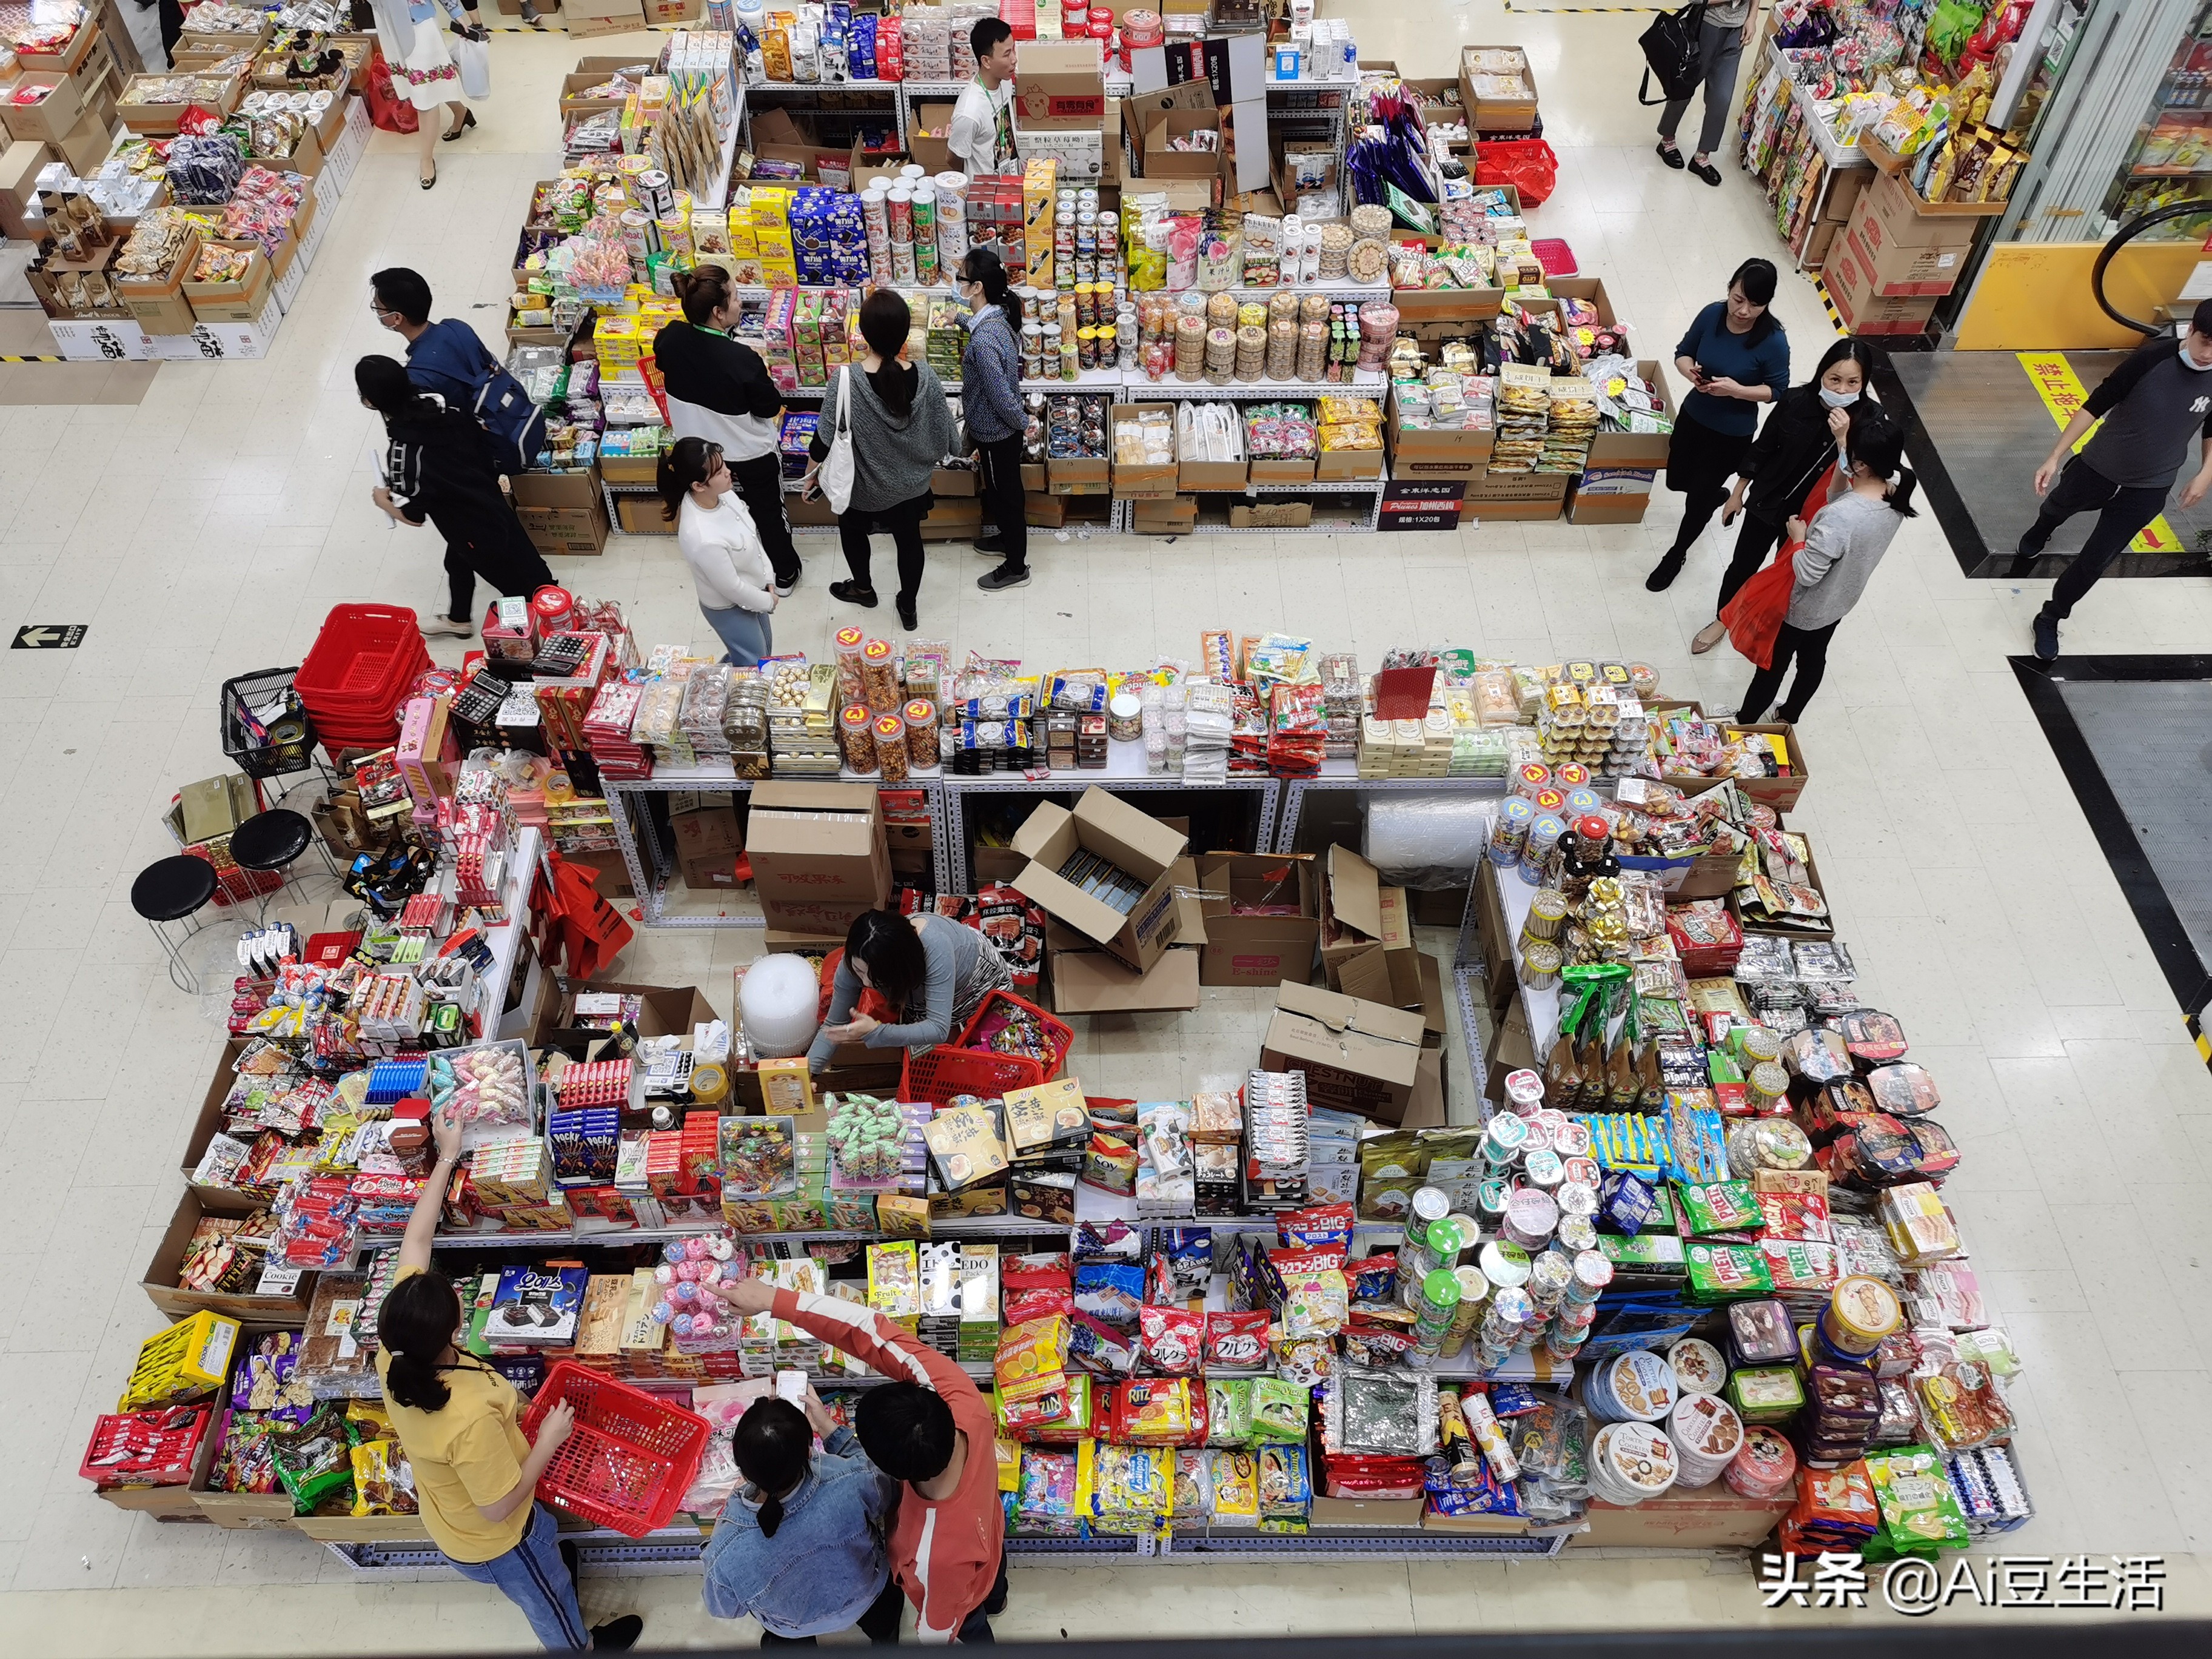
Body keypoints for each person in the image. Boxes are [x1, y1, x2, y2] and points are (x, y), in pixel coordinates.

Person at [377, 1106, 643, 1651]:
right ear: (454, 1330)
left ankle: (554, 1561)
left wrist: (448, 1156)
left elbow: (416, 1241)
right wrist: (547, 1442)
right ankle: (580, 1647)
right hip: (499, 1539)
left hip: (457, 1510)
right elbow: (497, 1507)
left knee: (549, 1563)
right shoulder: (467, 1419)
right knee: (550, 1603)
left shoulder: (395, 1347)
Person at [705, 1276, 1010, 1644]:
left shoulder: (932, 1554)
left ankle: (987, 1607)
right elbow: (871, 1329)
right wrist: (772, 1299)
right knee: (993, 1575)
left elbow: (939, 1626)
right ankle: (997, 1596)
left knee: (972, 1622)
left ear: (887, 1471)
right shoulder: (962, 1397)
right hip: (990, 1530)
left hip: (961, 1591)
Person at [2014, 300, 2212, 661]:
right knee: (2057, 508)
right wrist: (2055, 455)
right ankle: (2041, 530)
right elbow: (2096, 404)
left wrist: (2205, 474)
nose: (2208, 354)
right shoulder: (2151, 359)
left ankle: (2051, 616)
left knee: (2096, 560)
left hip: (2150, 486)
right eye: (2206, 342)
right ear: (2191, 330)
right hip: (2098, 467)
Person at [1735, 401, 1918, 724]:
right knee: (1813, 660)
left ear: (1861, 465)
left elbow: (1807, 573)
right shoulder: (1894, 494)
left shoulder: (1841, 518)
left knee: (1772, 667)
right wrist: (1843, 444)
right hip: (1839, 601)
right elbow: (1840, 497)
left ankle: (1745, 722)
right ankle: (1789, 715)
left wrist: (1798, 537)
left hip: (1802, 607)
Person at [1692, 338, 1878, 654]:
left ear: (1864, 382)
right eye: (1834, 379)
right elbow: (1762, 448)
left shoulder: (1871, 420)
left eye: (1852, 382)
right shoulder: (1795, 401)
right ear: (1822, 374)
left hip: (1814, 519)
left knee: (1791, 576)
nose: (1842, 389)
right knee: (1743, 565)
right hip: (1769, 502)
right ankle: (1723, 619)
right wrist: (1737, 492)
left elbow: (1866, 476)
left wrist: (1844, 438)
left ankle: (1769, 623)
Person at [356, 355, 553, 640]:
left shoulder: (404, 455)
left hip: (468, 525)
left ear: (372, 401)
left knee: (516, 586)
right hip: (487, 493)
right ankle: (459, 619)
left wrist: (382, 501)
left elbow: (414, 516)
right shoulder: (440, 404)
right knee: (470, 558)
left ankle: (539, 633)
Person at [700, 1386, 905, 1646]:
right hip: (868, 1595)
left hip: (792, 1626)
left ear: (741, 1468)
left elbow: (725, 1608)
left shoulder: (726, 1547)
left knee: (784, 1642)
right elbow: (887, 1489)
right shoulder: (850, 1479)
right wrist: (829, 1428)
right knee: (886, 1622)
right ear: (810, 1451)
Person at [806, 290, 959, 632]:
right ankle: (908, 605)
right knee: (910, 540)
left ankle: (863, 589)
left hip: (862, 489)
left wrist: (810, 477)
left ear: (863, 333)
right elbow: (948, 435)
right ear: (906, 334)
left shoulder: (845, 380)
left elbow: (824, 439)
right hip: (911, 488)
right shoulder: (926, 376)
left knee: (852, 533)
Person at [653, 265, 800, 595]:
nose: (740, 302)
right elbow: (768, 407)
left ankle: (736, 569)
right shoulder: (741, 358)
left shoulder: (670, 338)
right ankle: (784, 573)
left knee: (721, 510)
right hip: (749, 453)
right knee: (768, 512)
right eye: (734, 297)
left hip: (700, 454)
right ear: (718, 313)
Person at [1646, 258, 1790, 592]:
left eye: (1756, 305)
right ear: (1730, 289)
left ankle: (1677, 553)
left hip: (1730, 434)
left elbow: (1778, 390)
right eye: (1738, 299)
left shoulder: (1773, 341)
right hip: (1693, 416)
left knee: (1696, 500)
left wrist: (1737, 391)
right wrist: (1690, 372)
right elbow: (1683, 352)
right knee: (1677, 480)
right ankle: (1711, 495)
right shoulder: (1711, 314)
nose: (1744, 311)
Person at [805, 908, 1013, 1077]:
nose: (866, 982)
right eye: (860, 971)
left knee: (986, 1042)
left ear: (901, 967)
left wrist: (876, 1032)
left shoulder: (935, 946)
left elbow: (937, 1028)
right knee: (942, 1055)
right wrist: (806, 1074)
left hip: (974, 980)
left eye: (877, 977)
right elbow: (833, 1025)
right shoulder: (857, 960)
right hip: (917, 989)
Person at [660, 437, 778, 668]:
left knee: (763, 652)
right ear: (698, 486)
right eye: (719, 471)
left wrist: (768, 578)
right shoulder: (702, 536)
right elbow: (731, 588)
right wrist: (767, 601)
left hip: (754, 591)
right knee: (752, 663)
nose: (728, 472)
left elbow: (752, 535)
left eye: (724, 464)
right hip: (730, 607)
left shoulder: (724, 495)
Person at [957, 246, 1030, 593]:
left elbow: (1000, 395)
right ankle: (1005, 538)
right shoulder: (998, 318)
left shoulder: (984, 341)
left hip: (998, 432)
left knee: (1006, 496)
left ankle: (1016, 566)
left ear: (977, 288)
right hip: (998, 430)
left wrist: (1021, 423)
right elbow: (979, 329)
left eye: (961, 277)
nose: (957, 282)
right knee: (1000, 490)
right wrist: (957, 319)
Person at [366, 0, 480, 189]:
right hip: (389, 24)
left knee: (424, 95)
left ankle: (426, 159)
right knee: (425, 85)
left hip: (419, 24)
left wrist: (456, 12)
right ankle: (461, 113)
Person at [1655, 1, 1760, 186]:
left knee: (1722, 97)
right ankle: (1667, 139)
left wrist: (1752, 17)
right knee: (1685, 85)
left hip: (1736, 31)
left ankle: (1702, 155)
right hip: (1706, 25)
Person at [371, 267, 500, 408]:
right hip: (504, 403)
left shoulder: (416, 376)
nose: (377, 313)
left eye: (378, 308)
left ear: (397, 317)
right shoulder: (456, 327)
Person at [948, 18, 1019, 179]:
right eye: (1007, 54)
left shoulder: (1005, 81)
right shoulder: (969, 112)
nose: (1014, 59)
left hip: (1009, 181)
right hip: (984, 191)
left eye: (1013, 50)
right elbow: (952, 158)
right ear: (986, 61)